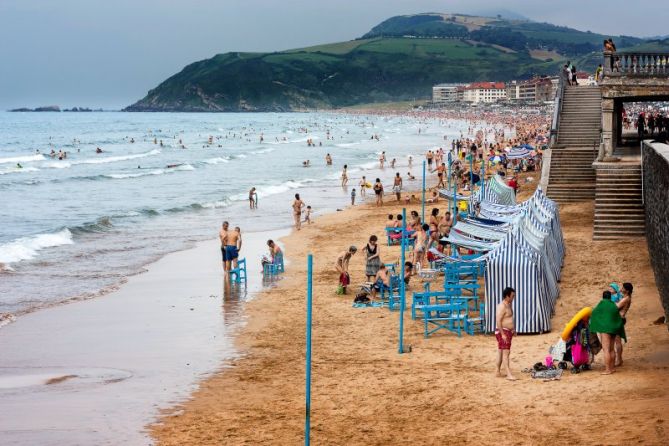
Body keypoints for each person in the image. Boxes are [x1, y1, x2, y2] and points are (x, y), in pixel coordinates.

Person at [590, 290, 626, 375]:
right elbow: (617, 317)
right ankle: (612, 368)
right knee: (611, 349)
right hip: (613, 330)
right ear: (610, 297)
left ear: (603, 297)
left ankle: (607, 370)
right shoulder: (613, 305)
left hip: (605, 330)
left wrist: (598, 324)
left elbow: (594, 313)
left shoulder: (602, 304)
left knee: (606, 350)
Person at [495, 287, 517, 380]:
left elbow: (509, 319)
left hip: (507, 331)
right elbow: (498, 321)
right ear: (507, 296)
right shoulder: (502, 306)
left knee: (501, 352)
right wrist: (503, 334)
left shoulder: (509, 305)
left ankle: (497, 371)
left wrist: (513, 329)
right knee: (506, 353)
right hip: (503, 331)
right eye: (512, 296)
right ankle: (508, 374)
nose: (513, 298)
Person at [614, 283, 633, 367]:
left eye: (623, 288)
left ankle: (619, 360)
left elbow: (616, 307)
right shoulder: (625, 298)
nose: (621, 289)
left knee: (617, 341)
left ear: (627, 290)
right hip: (620, 319)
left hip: (619, 319)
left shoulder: (626, 299)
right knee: (617, 341)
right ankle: (619, 359)